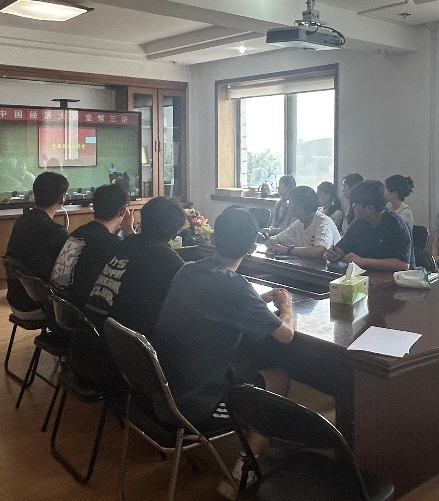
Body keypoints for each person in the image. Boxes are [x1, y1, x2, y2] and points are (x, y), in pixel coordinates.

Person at [154, 206, 295, 435]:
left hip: (162, 394)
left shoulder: (187, 270)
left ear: (213, 238)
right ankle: (248, 457)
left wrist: (257, 300)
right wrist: (287, 306)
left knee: (244, 364)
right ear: (251, 249)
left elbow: (215, 304)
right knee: (279, 378)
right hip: (194, 407)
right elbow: (286, 335)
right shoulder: (236, 287)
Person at [85, 196, 186, 340]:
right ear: (174, 234)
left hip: (91, 332)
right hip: (120, 344)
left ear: (142, 221)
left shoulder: (124, 244)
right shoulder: (169, 260)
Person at [51, 182, 134, 309]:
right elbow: (142, 261)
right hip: (80, 315)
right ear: (123, 211)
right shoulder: (113, 244)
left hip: (57, 308)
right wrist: (130, 231)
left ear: (94, 207)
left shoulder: (78, 232)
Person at [5, 171, 72, 316]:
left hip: (16, 300)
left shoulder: (22, 221)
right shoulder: (57, 233)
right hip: (39, 306)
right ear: (62, 199)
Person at [326, 180, 413, 272]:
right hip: (364, 275)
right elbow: (343, 246)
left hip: (393, 278)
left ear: (369, 208)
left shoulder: (395, 224)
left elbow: (403, 265)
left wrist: (363, 261)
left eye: (356, 203)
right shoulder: (359, 222)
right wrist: (335, 254)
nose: (353, 206)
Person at [265, 185, 340, 259]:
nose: (288, 205)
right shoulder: (299, 223)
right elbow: (277, 238)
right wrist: (272, 241)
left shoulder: (323, 223)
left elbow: (319, 251)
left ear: (298, 207)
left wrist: (287, 250)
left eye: (289, 202)